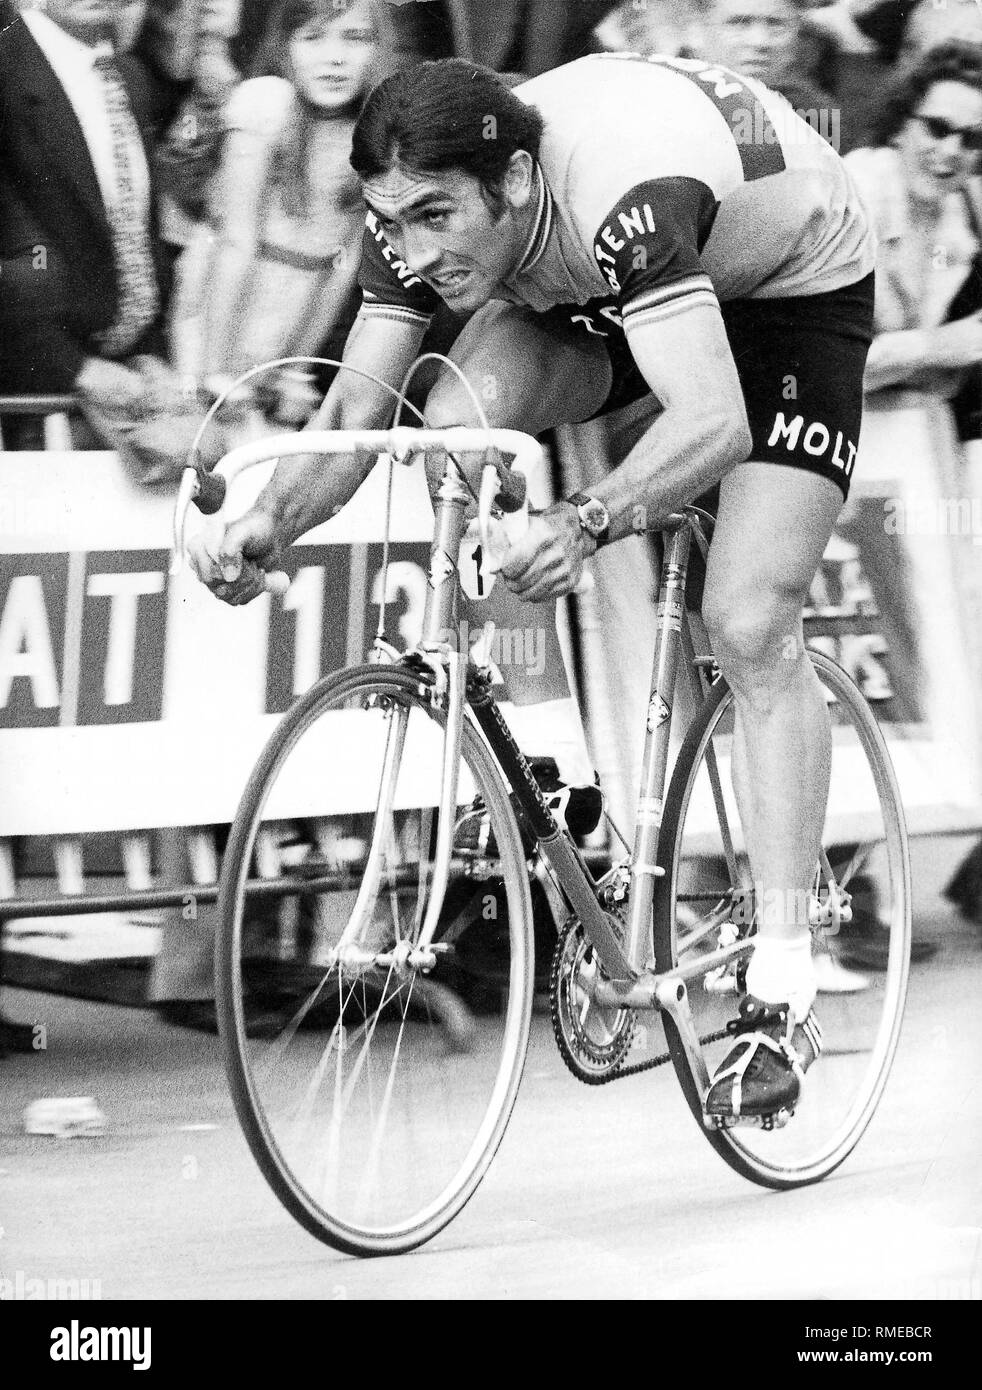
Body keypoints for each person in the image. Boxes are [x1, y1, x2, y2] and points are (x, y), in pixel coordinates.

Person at [190, 54, 876, 1124]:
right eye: (392, 223)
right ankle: (523, 762)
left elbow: (717, 423)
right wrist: (268, 520)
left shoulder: (621, 190)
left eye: (433, 218)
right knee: (450, 421)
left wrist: (586, 517)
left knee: (745, 622)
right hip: (598, 291)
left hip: (786, 290)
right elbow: (358, 415)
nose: (413, 251)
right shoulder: (420, 209)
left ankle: (781, 987)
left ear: (511, 181)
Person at [170, 0, 395, 419]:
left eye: (355, 38)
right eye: (312, 38)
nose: (335, 58)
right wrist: (216, 370)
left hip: (299, 305)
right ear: (285, 45)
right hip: (226, 296)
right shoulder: (268, 104)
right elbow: (237, 243)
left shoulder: (373, 128)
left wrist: (295, 369)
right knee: (207, 422)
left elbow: (343, 264)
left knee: (269, 428)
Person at [0, 0, 176, 418]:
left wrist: (147, 351)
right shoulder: (6, 71)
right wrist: (75, 369)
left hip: (125, 377)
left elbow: (134, 233)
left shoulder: (127, 73)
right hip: (29, 391)